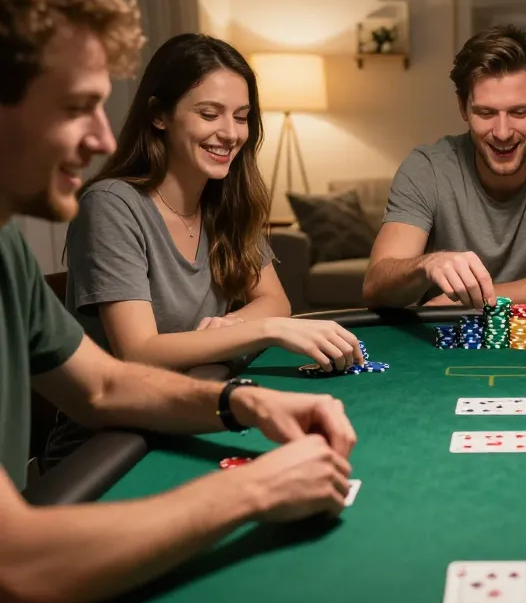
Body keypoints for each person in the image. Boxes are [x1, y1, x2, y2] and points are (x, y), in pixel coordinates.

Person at [0, 0, 356, 603]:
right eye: (78, 107)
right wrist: (254, 489)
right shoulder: (112, 203)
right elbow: (13, 571)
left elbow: (104, 384)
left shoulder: (6, 246)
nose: (103, 135)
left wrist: (240, 402)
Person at [45, 33, 364, 466]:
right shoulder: (111, 205)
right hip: (109, 447)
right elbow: (138, 352)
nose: (230, 134)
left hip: (191, 413)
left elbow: (274, 300)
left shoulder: (227, 199)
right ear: (160, 115)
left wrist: (233, 324)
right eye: (209, 113)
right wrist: (261, 330)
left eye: (242, 116)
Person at [362, 25, 526, 311]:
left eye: (519, 112)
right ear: (462, 107)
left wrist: (470, 297)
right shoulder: (426, 167)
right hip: (447, 347)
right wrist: (427, 264)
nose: (503, 132)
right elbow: (375, 289)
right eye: (486, 113)